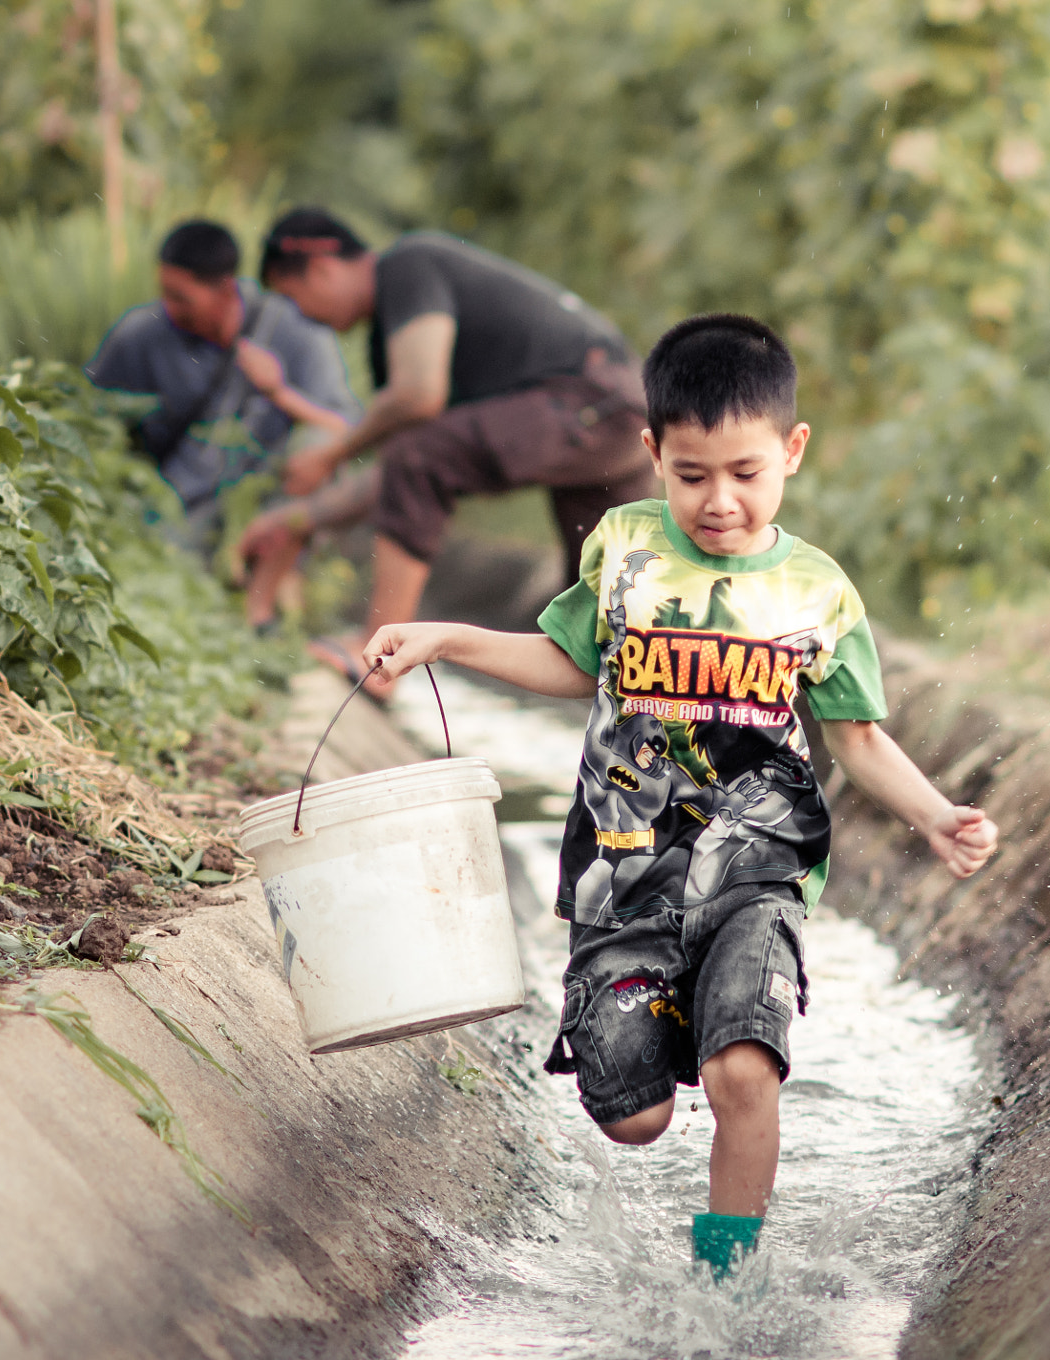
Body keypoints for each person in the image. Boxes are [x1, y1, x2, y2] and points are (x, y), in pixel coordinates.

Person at [356, 314, 1000, 1280]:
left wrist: (937, 814)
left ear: (792, 451)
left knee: (745, 1072)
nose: (720, 502)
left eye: (745, 473)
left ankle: (723, 1291)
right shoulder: (623, 549)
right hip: (624, 876)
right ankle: (668, 1012)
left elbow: (857, 737)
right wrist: (445, 636)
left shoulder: (816, 594)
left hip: (758, 871)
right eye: (692, 475)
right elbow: (576, 663)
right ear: (652, 452)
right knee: (636, 1118)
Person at [238, 208, 658, 688]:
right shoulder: (394, 335)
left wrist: (330, 455)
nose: (305, 318)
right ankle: (658, 728)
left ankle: (379, 657)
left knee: (418, 454)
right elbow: (399, 480)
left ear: (322, 268)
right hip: (619, 417)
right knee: (612, 614)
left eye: (294, 300)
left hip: (590, 401)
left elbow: (419, 399)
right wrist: (299, 517)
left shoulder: (407, 264)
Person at [84, 219, 358, 559]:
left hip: (261, 508)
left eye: (181, 298)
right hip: (172, 510)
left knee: (320, 443)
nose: (170, 309)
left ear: (226, 290)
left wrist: (279, 393)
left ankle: (274, 586)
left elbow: (345, 432)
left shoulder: (296, 330)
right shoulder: (141, 334)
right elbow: (87, 417)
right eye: (164, 294)